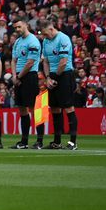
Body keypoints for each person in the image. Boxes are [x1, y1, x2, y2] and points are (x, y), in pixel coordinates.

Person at [40, 18, 78, 150]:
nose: (44, 36)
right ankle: (57, 141)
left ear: (51, 29)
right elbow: (45, 61)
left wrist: (53, 77)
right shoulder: (46, 41)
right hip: (53, 77)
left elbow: (63, 62)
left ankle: (73, 142)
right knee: (55, 108)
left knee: (68, 107)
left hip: (65, 75)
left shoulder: (63, 39)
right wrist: (48, 77)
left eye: (45, 33)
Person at [8, 19, 43, 150]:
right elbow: (13, 60)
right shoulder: (17, 42)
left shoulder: (33, 41)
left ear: (26, 26)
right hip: (18, 76)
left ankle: (39, 140)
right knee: (22, 108)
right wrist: (14, 76)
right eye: (15, 28)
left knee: (34, 109)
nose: (17, 29)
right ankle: (24, 141)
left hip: (29, 76)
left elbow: (30, 63)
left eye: (19, 27)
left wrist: (18, 77)